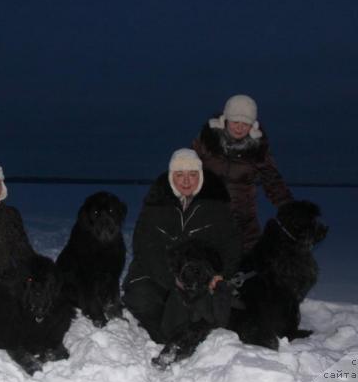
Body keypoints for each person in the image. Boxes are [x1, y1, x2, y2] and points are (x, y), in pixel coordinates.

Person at [122, 149, 242, 344]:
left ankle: (189, 337)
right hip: (158, 273)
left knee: (211, 311)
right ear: (171, 176)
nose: (186, 181)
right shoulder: (155, 205)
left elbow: (232, 245)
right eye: (180, 175)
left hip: (202, 278)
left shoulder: (217, 205)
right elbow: (144, 247)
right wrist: (172, 280)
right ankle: (166, 338)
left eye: (192, 175)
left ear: (200, 176)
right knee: (141, 300)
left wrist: (222, 274)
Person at [192, 94, 293, 251]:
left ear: (253, 126)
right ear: (225, 119)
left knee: (251, 266)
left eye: (245, 123)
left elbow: (272, 180)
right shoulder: (206, 141)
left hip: (244, 221)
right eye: (235, 122)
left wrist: (288, 207)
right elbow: (185, 171)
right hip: (207, 217)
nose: (239, 127)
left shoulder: (258, 148)